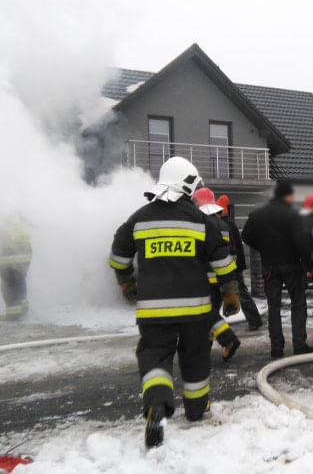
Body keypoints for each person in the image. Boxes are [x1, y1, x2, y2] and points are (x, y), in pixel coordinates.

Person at [109, 156, 240, 448]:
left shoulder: (139, 218)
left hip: (153, 310)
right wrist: (230, 292)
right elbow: (222, 258)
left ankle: (156, 405)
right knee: (194, 357)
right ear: (188, 183)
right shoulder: (199, 220)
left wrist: (126, 280)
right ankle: (196, 409)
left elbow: (118, 251)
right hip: (195, 309)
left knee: (155, 355)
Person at [242, 180, 313, 358]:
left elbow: (246, 236)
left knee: (273, 307)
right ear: (288, 195)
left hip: (269, 267)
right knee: (298, 304)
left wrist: (263, 248)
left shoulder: (257, 214)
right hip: (291, 265)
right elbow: (302, 243)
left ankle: (277, 348)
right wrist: (308, 266)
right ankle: (299, 345)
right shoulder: (292, 215)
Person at [192, 188, 241, 362]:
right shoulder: (223, 224)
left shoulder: (201, 224)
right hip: (222, 279)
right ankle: (205, 351)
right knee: (209, 315)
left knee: (206, 315)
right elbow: (232, 253)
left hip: (203, 279)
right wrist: (230, 286)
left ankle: (228, 340)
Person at [217, 194, 263, 330]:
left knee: (240, 294)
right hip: (235, 265)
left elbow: (230, 248)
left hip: (231, 266)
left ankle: (254, 321)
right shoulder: (230, 224)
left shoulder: (224, 226)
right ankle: (255, 320)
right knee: (241, 293)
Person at [0, 212, 32, 321]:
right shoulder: (21, 223)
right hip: (25, 260)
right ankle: (23, 310)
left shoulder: (1, 226)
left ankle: (13, 315)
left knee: (9, 287)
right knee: (20, 283)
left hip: (8, 262)